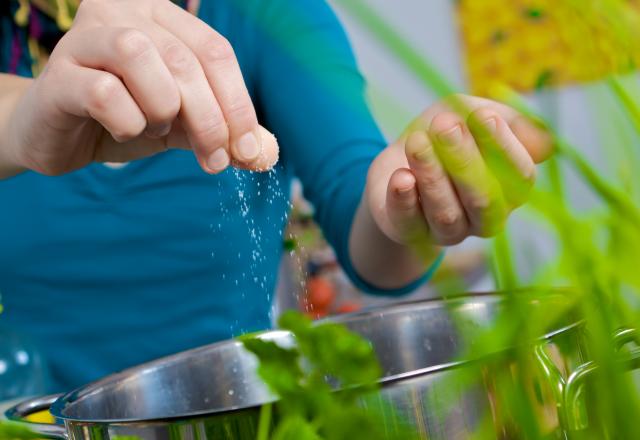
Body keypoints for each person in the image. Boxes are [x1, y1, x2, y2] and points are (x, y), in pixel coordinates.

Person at [0, 0, 550, 392]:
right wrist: (23, 124)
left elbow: (364, 220)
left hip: (230, 416)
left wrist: (409, 197)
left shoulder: (267, 13)